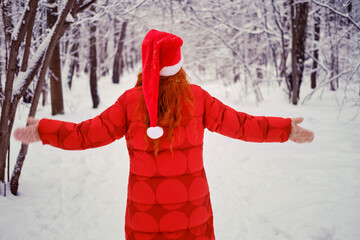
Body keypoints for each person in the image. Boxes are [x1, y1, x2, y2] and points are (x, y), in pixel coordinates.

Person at [14, 29, 314, 240]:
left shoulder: (130, 103)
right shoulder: (197, 98)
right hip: (193, 216)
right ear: (178, 67)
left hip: (145, 218)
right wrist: (284, 129)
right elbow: (242, 123)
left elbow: (85, 135)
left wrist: (45, 130)